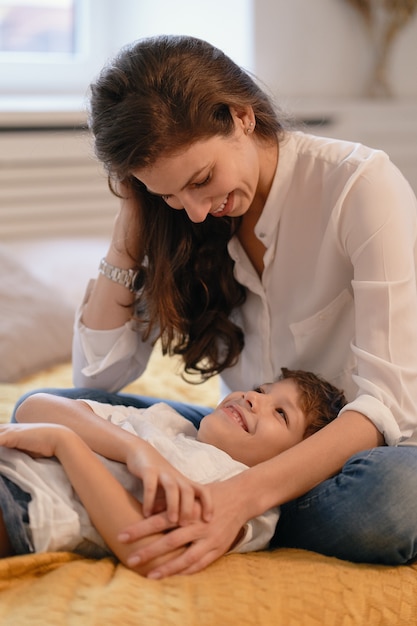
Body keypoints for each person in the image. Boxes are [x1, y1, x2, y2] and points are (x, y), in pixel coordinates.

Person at [11, 34, 417, 578]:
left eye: (202, 180)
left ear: (242, 116)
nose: (198, 212)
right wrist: (130, 235)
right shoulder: (181, 217)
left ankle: (236, 513)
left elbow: (387, 405)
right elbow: (99, 376)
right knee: (52, 401)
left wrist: (238, 499)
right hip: (233, 445)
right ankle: (214, 502)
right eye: (170, 195)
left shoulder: (358, 187)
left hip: (347, 448)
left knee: (396, 495)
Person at [2, 369, 344, 576]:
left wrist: (66, 444)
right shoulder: (170, 421)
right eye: (261, 389)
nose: (253, 398)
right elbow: (34, 407)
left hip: (23, 503)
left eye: (281, 413)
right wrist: (136, 450)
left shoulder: (247, 504)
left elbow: (152, 551)